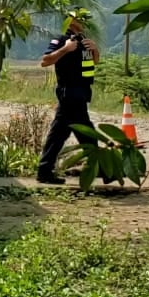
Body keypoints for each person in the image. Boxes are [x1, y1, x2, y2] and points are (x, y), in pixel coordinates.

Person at [35, 10, 101, 184]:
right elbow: (45, 61)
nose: (83, 22)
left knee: (64, 133)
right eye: (79, 19)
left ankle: (45, 170)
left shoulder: (84, 41)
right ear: (70, 22)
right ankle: (100, 166)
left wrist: (95, 50)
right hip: (69, 93)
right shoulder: (62, 40)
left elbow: (93, 62)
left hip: (82, 93)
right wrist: (65, 49)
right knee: (83, 131)